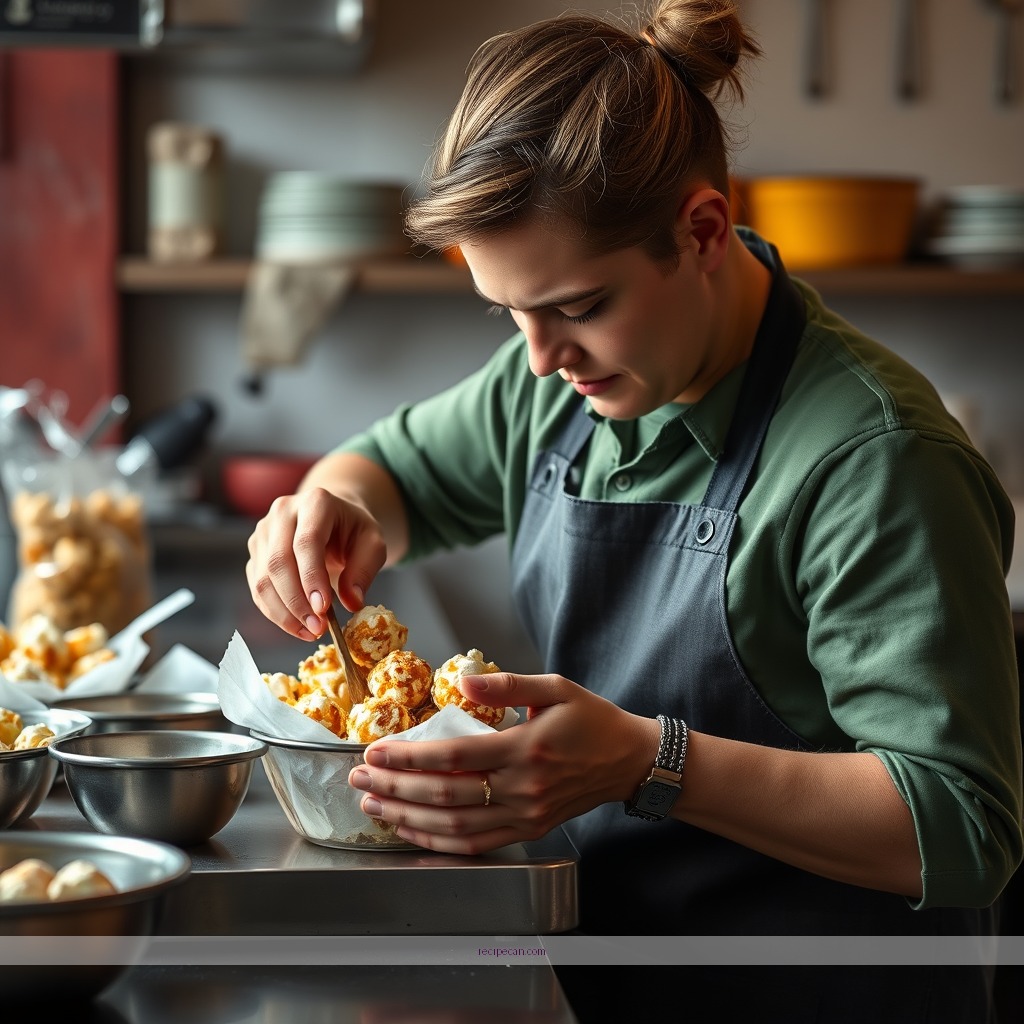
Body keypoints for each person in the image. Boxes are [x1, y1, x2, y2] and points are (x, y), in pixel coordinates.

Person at [245, 1, 1022, 1019]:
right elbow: (390, 470)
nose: (538, 358)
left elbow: (960, 827)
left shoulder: (873, 463)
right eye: (510, 313)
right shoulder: (555, 383)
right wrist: (326, 506)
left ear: (702, 230)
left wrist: (647, 762)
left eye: (575, 308)